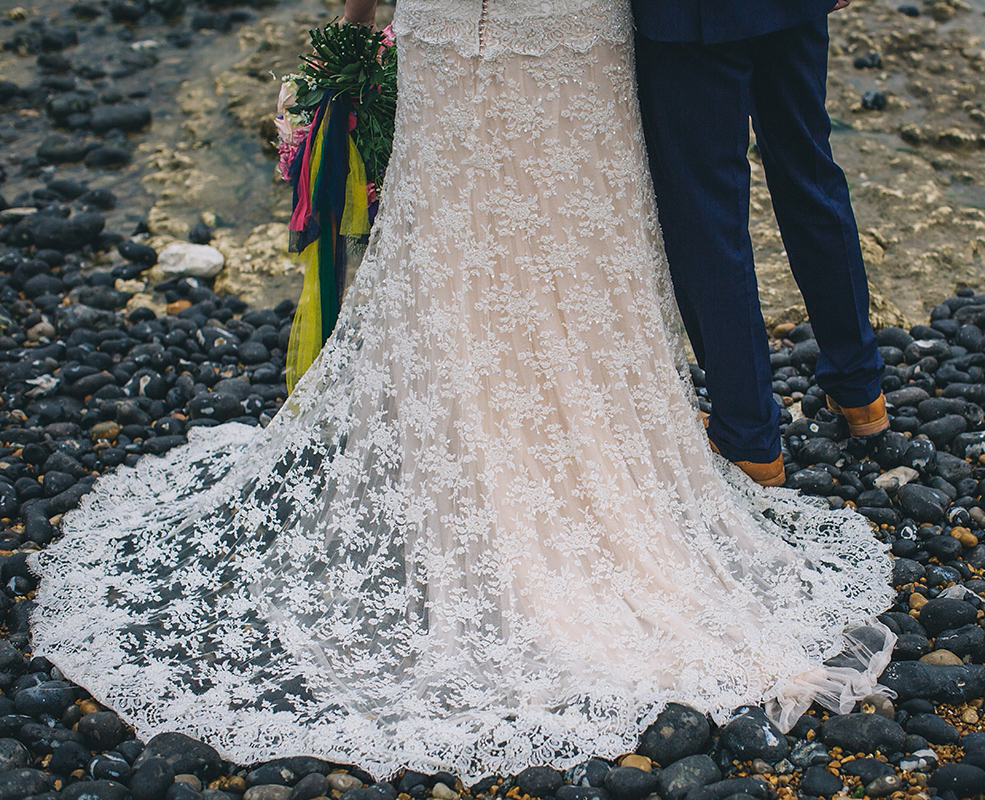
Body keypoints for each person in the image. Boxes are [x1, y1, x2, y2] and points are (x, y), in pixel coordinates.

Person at [30, 0, 895, 783]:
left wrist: (357, 25)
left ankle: (726, 433)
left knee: (526, 219)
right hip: (578, 26)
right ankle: (835, 395)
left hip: (499, 27)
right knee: (635, 211)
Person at [633, 0, 889, 488]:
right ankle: (860, 387)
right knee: (810, 174)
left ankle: (747, 433)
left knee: (708, 211)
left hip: (690, 17)